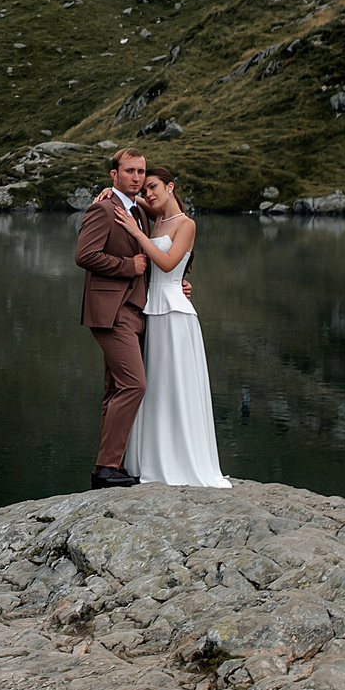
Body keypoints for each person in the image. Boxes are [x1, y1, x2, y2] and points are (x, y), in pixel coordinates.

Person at [120, 168, 232, 488]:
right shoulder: (154, 217)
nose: (149, 193)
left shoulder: (186, 223)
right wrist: (106, 192)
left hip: (174, 313)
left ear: (170, 187)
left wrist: (138, 234)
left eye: (154, 187)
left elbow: (168, 264)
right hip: (151, 310)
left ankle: (182, 462)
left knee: (176, 387)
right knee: (154, 387)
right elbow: (124, 197)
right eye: (146, 189)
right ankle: (152, 459)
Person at [75, 148, 153, 489]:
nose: (136, 177)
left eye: (141, 171)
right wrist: (127, 267)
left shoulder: (141, 211)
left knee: (115, 389)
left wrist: (180, 281)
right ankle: (107, 468)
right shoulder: (103, 207)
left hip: (137, 311)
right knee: (134, 384)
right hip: (111, 312)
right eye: (130, 171)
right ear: (114, 174)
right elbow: (85, 255)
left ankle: (108, 467)